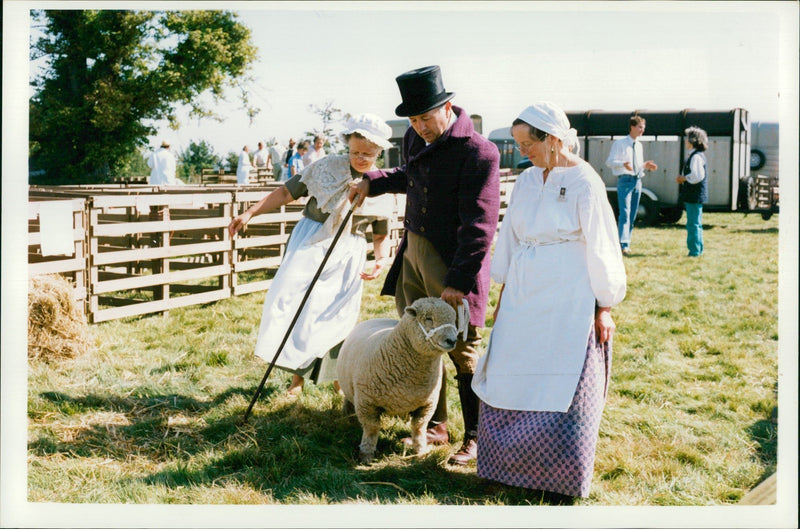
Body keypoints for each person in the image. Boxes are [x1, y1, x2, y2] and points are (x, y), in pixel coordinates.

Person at [472, 102, 627, 503]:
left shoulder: (585, 182)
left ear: (554, 139)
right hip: (525, 285)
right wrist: (503, 288)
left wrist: (604, 305)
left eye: (529, 143)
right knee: (511, 364)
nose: (522, 150)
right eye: (519, 142)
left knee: (556, 370)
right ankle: (505, 467)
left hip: (568, 288)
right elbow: (508, 235)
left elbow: (602, 243)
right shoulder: (524, 181)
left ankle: (557, 475)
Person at [349, 65, 500, 466]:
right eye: (412, 120)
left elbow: (481, 225)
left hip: (453, 264)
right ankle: (436, 423)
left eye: (425, 118)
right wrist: (373, 181)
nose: (419, 126)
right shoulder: (416, 137)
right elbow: (411, 176)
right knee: (420, 341)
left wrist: (458, 280)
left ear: (447, 107)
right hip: (414, 253)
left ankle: (476, 436)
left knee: (462, 346)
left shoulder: (480, 152)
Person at [228, 113, 394, 396]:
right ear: (347, 146)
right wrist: (250, 212)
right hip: (312, 241)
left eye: (367, 154)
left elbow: (380, 232)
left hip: (349, 251)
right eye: (355, 152)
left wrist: (380, 259)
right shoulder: (326, 167)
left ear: (379, 151)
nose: (360, 158)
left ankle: (340, 378)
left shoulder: (382, 183)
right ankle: (297, 378)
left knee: (336, 313)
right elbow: (285, 192)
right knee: (296, 304)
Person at [605, 115, 658, 255]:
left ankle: (626, 242)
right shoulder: (620, 143)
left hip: (637, 181)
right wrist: (623, 164)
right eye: (640, 127)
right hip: (625, 181)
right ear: (632, 127)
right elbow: (609, 162)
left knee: (633, 214)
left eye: (643, 128)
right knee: (625, 213)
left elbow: (637, 165)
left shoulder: (639, 145)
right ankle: (622, 244)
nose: (642, 130)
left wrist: (645, 166)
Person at [676, 126, 709, 257]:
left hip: (694, 195)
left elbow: (697, 176)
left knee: (693, 224)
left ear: (693, 141)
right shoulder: (697, 156)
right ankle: (697, 249)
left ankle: (694, 251)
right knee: (696, 223)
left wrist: (683, 178)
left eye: (687, 139)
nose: (685, 141)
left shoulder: (695, 157)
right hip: (696, 195)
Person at [352, 192, 395, 280]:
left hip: (351, 252)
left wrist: (381, 261)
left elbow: (381, 236)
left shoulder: (383, 196)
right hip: (321, 243)